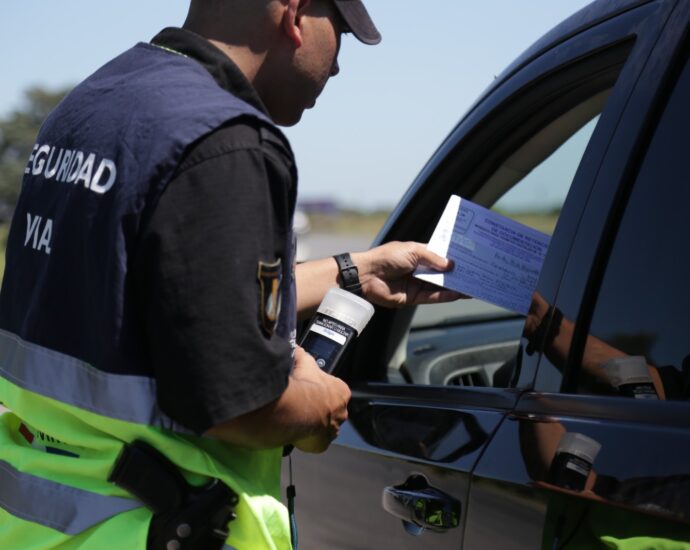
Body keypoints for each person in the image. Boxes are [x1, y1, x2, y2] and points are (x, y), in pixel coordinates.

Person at [0, 1, 460, 548]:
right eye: (339, 31)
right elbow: (239, 405)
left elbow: (165, 298)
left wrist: (354, 271)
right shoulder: (225, 141)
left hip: (46, 528)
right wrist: (321, 405)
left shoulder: (93, 104)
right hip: (152, 527)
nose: (338, 65)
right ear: (295, 14)